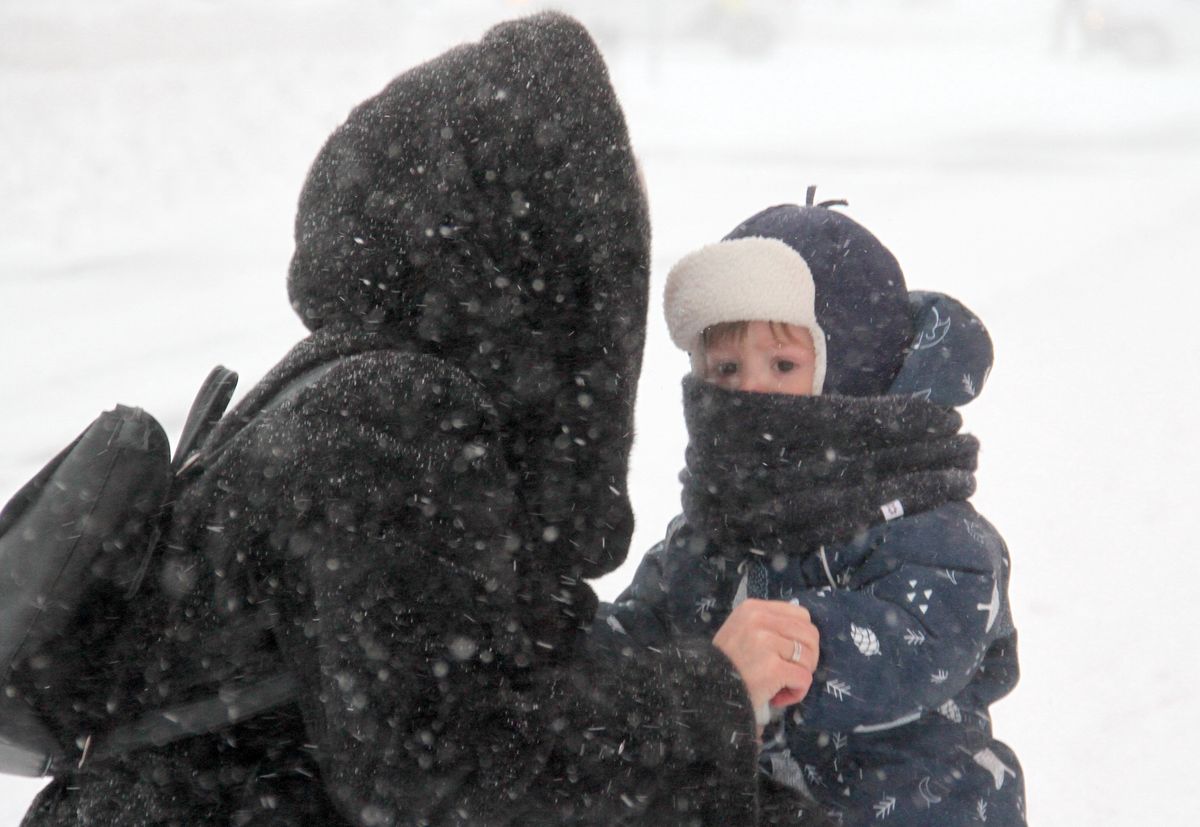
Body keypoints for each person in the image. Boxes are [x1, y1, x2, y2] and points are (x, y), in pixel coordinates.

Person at [20, 14, 818, 827]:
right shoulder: (386, 423)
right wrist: (707, 695)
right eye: (602, 228)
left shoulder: (391, 399)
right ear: (527, 243)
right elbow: (438, 774)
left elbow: (502, 679)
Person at [603, 192, 1026, 825]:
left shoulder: (933, 531)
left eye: (782, 364)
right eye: (724, 366)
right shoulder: (708, 535)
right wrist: (558, 639)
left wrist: (803, 646)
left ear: (848, 376)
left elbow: (927, 642)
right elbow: (639, 640)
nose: (749, 389)